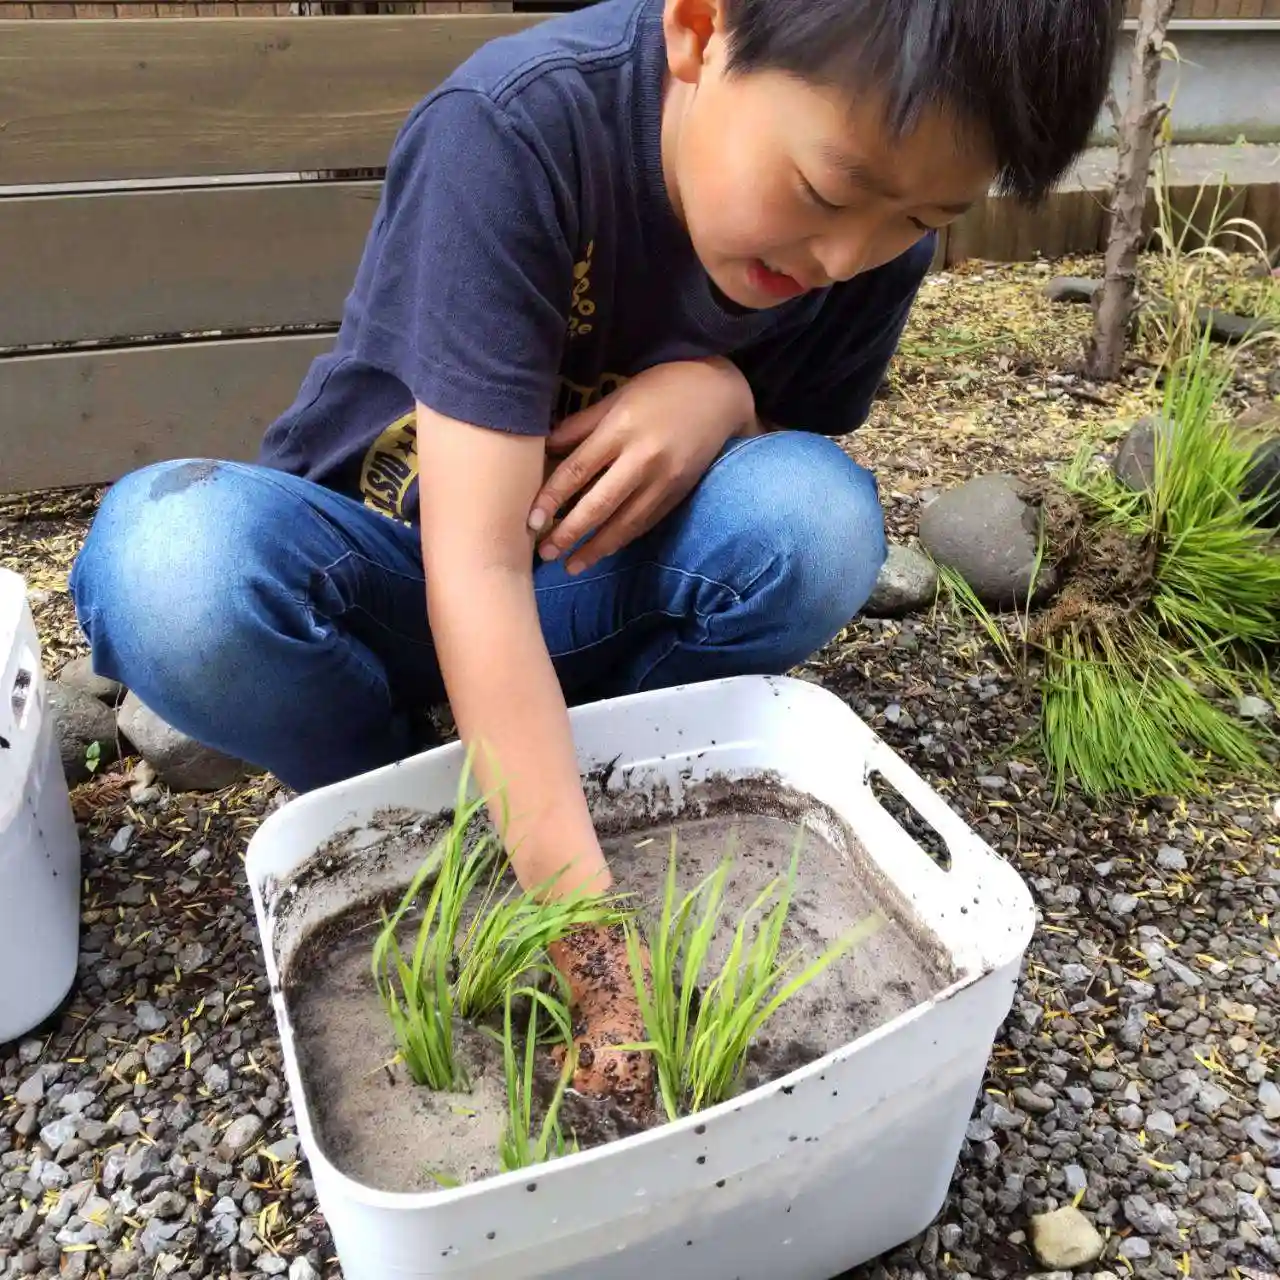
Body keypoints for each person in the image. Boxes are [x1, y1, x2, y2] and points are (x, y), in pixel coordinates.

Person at [70, 0, 1121, 1104]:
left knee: (817, 522)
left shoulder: (868, 239)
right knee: (173, 563)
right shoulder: (516, 132)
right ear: (700, 30)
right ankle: (402, 812)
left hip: (583, 589)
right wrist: (597, 964)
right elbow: (472, 566)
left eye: (920, 218)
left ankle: (587, 785)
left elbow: (791, 441)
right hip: (388, 577)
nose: (845, 256)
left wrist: (723, 396)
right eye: (825, 191)